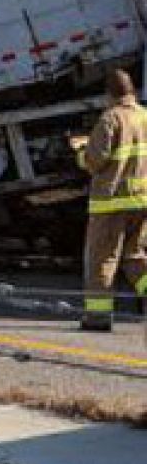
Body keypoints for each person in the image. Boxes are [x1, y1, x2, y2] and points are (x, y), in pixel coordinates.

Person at [72, 69, 147, 332]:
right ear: (132, 91)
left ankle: (98, 317)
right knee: (135, 256)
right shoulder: (144, 116)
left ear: (109, 95)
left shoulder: (110, 119)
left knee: (102, 259)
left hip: (112, 202)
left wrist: (80, 150)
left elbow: (95, 161)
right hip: (142, 201)